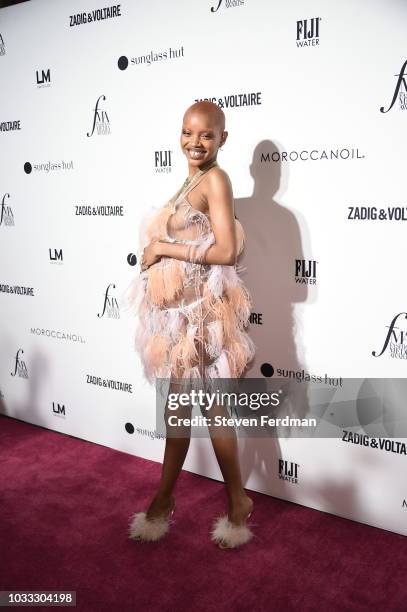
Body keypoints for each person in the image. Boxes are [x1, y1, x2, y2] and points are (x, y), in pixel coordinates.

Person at [127, 101, 256, 549]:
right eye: (187, 132)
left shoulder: (216, 179)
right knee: (186, 411)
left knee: (198, 410)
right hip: (178, 320)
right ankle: (198, 501)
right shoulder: (193, 179)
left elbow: (226, 252)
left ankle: (190, 501)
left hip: (200, 317)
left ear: (223, 138)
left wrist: (163, 247)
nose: (194, 142)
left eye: (205, 134)